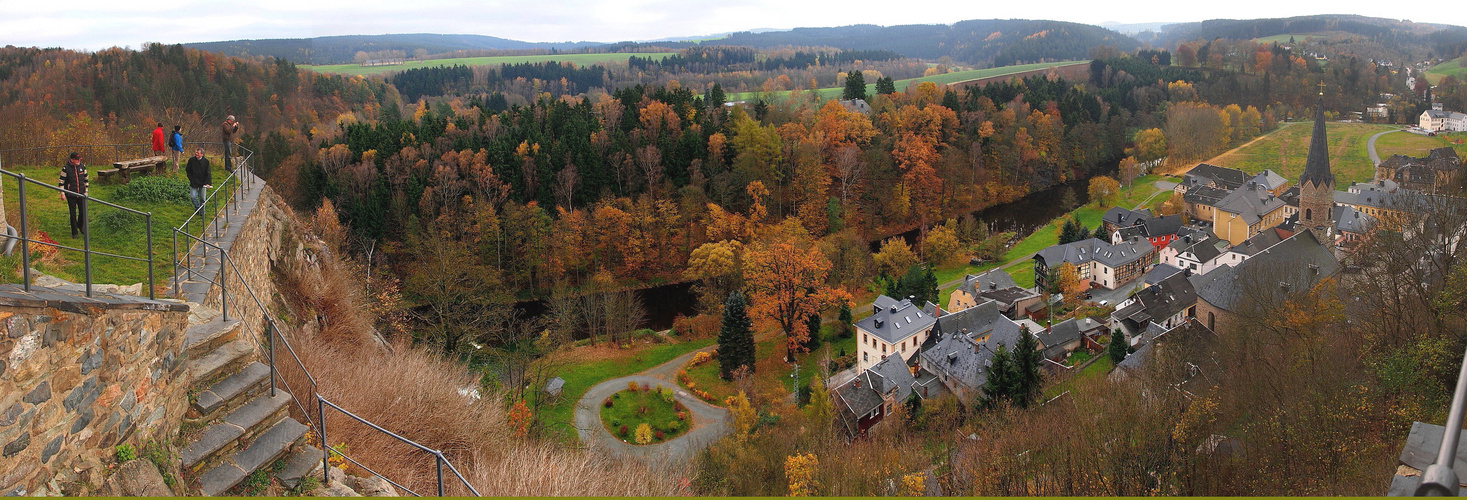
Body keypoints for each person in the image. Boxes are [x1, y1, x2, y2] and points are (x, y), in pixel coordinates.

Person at [58, 152, 88, 238]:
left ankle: (80, 226)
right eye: (76, 159)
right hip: (71, 194)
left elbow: (85, 179)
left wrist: (86, 191)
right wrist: (62, 193)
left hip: (81, 193)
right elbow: (61, 181)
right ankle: (74, 232)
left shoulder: (82, 167)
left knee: (82, 211)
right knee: (73, 213)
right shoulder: (65, 168)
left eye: (79, 159)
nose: (78, 161)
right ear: (72, 160)